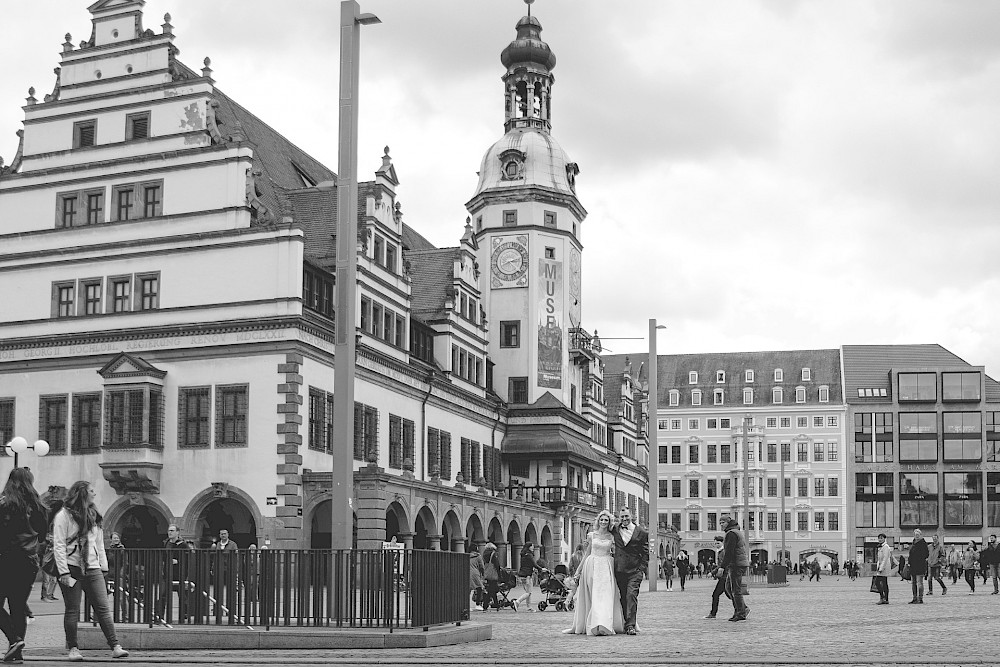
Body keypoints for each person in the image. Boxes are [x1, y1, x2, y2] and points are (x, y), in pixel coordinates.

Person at [53, 480, 128, 661]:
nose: (94, 493)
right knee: (72, 610)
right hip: (72, 567)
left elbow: (99, 544)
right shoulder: (64, 515)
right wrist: (63, 571)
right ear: (82, 493)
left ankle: (115, 646)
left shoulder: (94, 515)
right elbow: (59, 544)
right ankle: (73, 648)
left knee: (103, 609)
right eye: (91, 491)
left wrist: (104, 568)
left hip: (93, 567)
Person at [0, 468, 49, 665]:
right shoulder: (39, 507)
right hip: (29, 562)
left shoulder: (4, 504)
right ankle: (16, 654)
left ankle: (15, 640)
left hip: (5, 560)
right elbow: (43, 537)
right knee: (18, 607)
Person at [562, 509, 624, 635]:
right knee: (594, 596)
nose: (603, 522)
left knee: (606, 596)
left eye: (606, 520)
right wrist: (578, 570)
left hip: (607, 566)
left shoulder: (612, 537)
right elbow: (587, 554)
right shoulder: (591, 535)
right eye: (601, 519)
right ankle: (594, 624)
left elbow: (617, 553)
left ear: (609, 522)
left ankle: (605, 624)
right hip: (592, 565)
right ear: (598, 521)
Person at [611, 506, 648, 635]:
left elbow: (645, 553)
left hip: (634, 571)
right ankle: (625, 622)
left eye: (626, 516)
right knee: (623, 597)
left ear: (631, 516)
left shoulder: (641, 532)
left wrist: (641, 569)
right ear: (619, 518)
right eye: (622, 517)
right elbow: (602, 530)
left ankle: (631, 625)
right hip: (620, 570)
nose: (624, 519)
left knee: (631, 595)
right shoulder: (614, 529)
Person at [157, 525, 194, 624]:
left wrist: (178, 561)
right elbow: (164, 557)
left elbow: (187, 559)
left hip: (179, 574)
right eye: (169, 530)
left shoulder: (183, 545)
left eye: (172, 531)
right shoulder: (166, 543)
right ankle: (160, 617)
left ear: (177, 532)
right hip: (167, 573)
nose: (170, 532)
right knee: (163, 595)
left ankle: (183, 616)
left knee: (182, 595)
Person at [719, 517, 750, 622]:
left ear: (728, 523)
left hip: (737, 564)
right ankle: (742, 608)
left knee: (735, 590)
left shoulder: (731, 534)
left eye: (722, 523)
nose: (721, 525)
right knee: (728, 588)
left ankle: (740, 613)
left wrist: (722, 567)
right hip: (739, 563)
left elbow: (729, 552)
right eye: (720, 523)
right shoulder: (736, 531)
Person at [704, 535, 727, 619]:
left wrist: (712, 573)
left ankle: (713, 613)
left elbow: (721, 565)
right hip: (724, 576)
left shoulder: (723, 552)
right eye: (715, 543)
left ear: (722, 542)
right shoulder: (721, 551)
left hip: (724, 576)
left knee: (715, 594)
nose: (717, 545)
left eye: (718, 543)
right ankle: (742, 608)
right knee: (730, 595)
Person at [514, 542, 542, 612]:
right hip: (527, 576)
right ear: (529, 547)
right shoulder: (529, 555)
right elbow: (534, 564)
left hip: (522, 574)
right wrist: (541, 569)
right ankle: (517, 602)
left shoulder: (523, 554)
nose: (533, 547)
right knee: (528, 592)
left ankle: (529, 607)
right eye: (532, 546)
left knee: (528, 591)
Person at [908, 528, 929, 604]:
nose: (916, 536)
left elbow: (926, 554)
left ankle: (920, 598)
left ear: (920, 535)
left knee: (919, 582)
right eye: (915, 535)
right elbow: (910, 554)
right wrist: (909, 562)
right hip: (913, 566)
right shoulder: (913, 543)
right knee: (913, 583)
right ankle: (914, 598)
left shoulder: (923, 544)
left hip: (920, 566)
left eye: (918, 535)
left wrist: (919, 558)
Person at [873, 533, 893, 605]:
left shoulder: (885, 547)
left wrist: (881, 568)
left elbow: (885, 558)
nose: (880, 539)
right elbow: (879, 559)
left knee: (877, 582)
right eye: (879, 538)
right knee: (884, 583)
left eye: (881, 538)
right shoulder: (880, 547)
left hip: (884, 568)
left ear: (885, 539)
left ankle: (883, 597)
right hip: (881, 567)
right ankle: (885, 598)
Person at [481, 543, 500, 611]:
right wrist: (499, 573)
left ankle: (496, 604)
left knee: (492, 589)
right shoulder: (493, 554)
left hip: (487, 572)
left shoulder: (484, 554)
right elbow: (497, 564)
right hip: (493, 573)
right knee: (491, 590)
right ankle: (485, 605)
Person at [469, 543, 485, 611]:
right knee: (479, 588)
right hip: (475, 573)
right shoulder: (478, 556)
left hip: (467, 572)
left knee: (468, 590)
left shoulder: (466, 555)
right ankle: (477, 604)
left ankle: (467, 605)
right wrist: (483, 574)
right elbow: (482, 566)